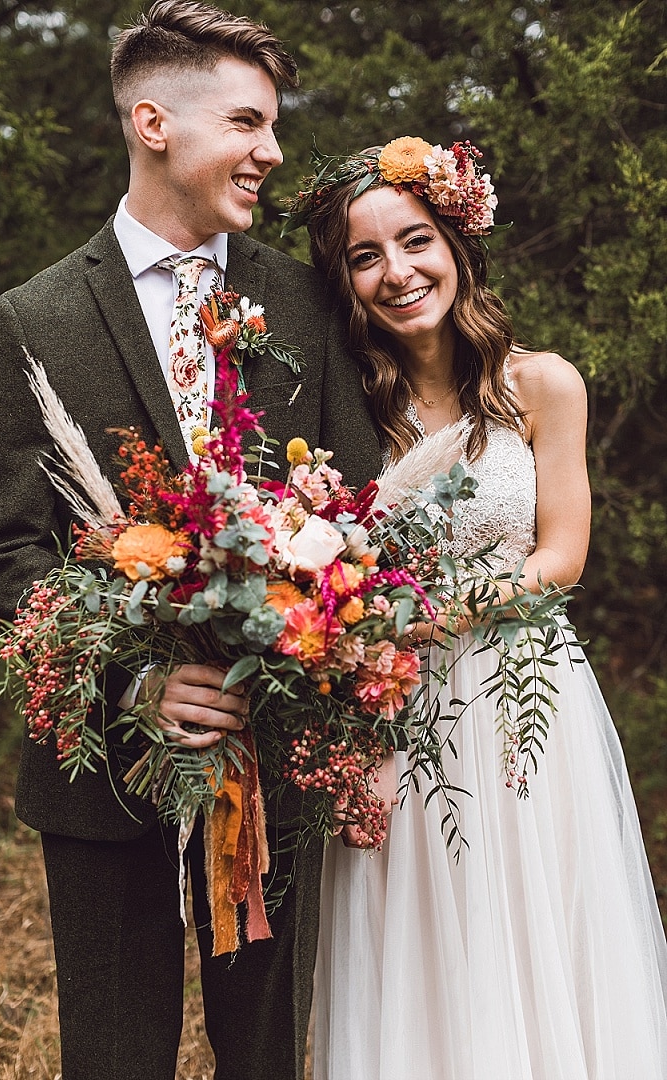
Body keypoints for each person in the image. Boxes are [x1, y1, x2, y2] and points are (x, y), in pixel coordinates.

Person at [0, 4, 381, 1079]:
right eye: (248, 123)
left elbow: (362, 521)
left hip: (281, 765)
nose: (272, 152)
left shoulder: (309, 301)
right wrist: (138, 685)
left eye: (272, 125)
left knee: (273, 1056)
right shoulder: (36, 316)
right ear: (155, 123)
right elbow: (7, 554)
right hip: (104, 784)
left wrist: (308, 649)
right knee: (114, 1056)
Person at [283, 135, 667, 1078]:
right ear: (344, 280)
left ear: (456, 243)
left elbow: (563, 556)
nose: (398, 273)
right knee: (407, 930)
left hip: (523, 700)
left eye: (415, 241)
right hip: (389, 711)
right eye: (364, 257)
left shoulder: (541, 385)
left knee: (532, 926)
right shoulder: (342, 413)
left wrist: (432, 616)